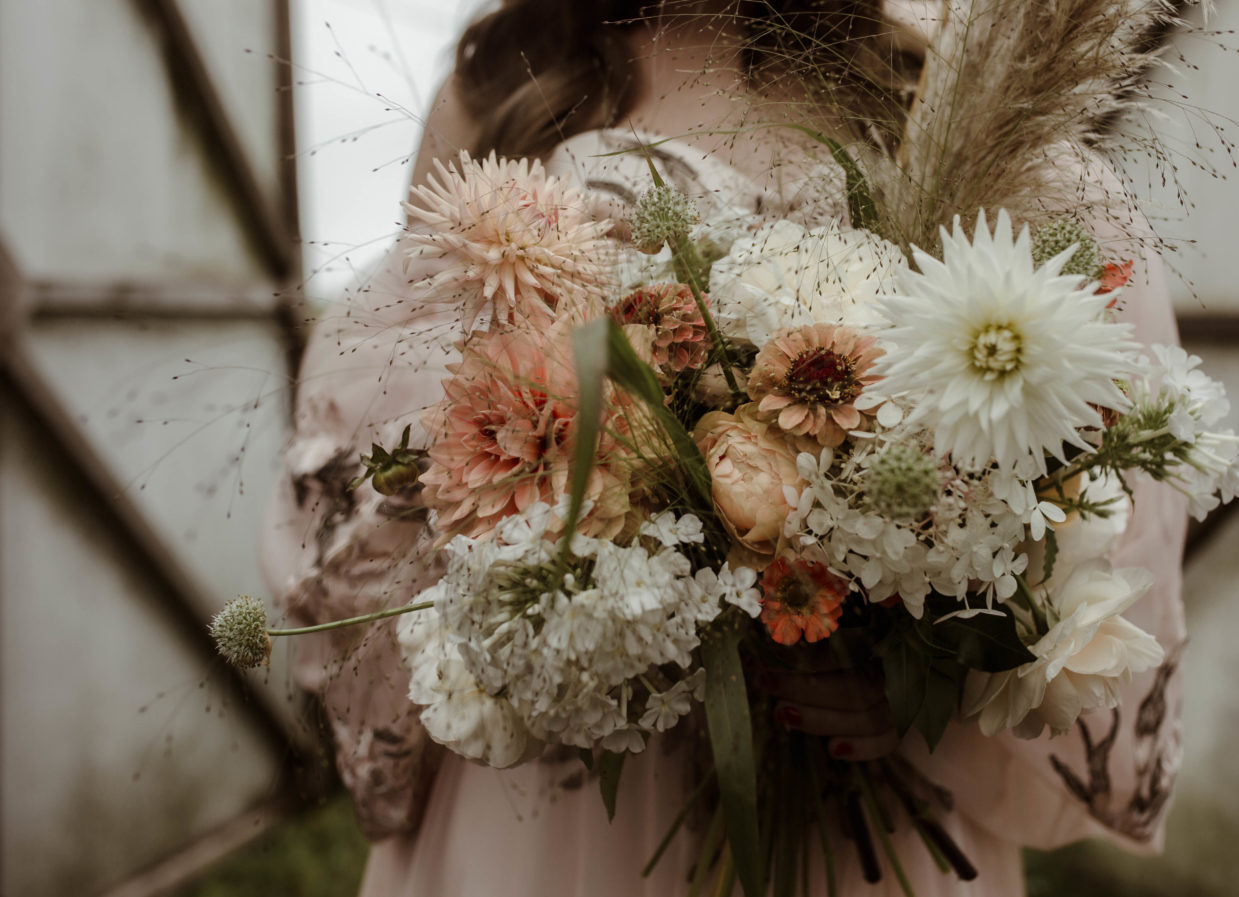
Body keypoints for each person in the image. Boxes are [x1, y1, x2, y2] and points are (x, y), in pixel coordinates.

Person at [260, 2, 1189, 894]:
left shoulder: (942, 89)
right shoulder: (503, 78)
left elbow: (1086, 490)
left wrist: (923, 682)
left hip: (865, 773)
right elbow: (392, 410)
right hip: (568, 790)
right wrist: (555, 534)